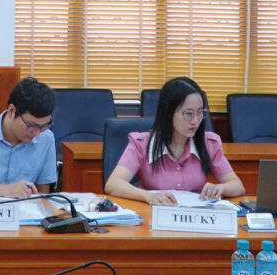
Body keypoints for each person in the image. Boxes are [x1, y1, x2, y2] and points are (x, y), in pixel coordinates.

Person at [104, 77, 244, 205]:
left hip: (194, 218)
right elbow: (113, 183)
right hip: (153, 215)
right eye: (188, 113)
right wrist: (149, 196)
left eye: (200, 112)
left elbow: (237, 186)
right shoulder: (142, 144)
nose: (196, 121)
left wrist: (220, 188)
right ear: (168, 113)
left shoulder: (208, 143)